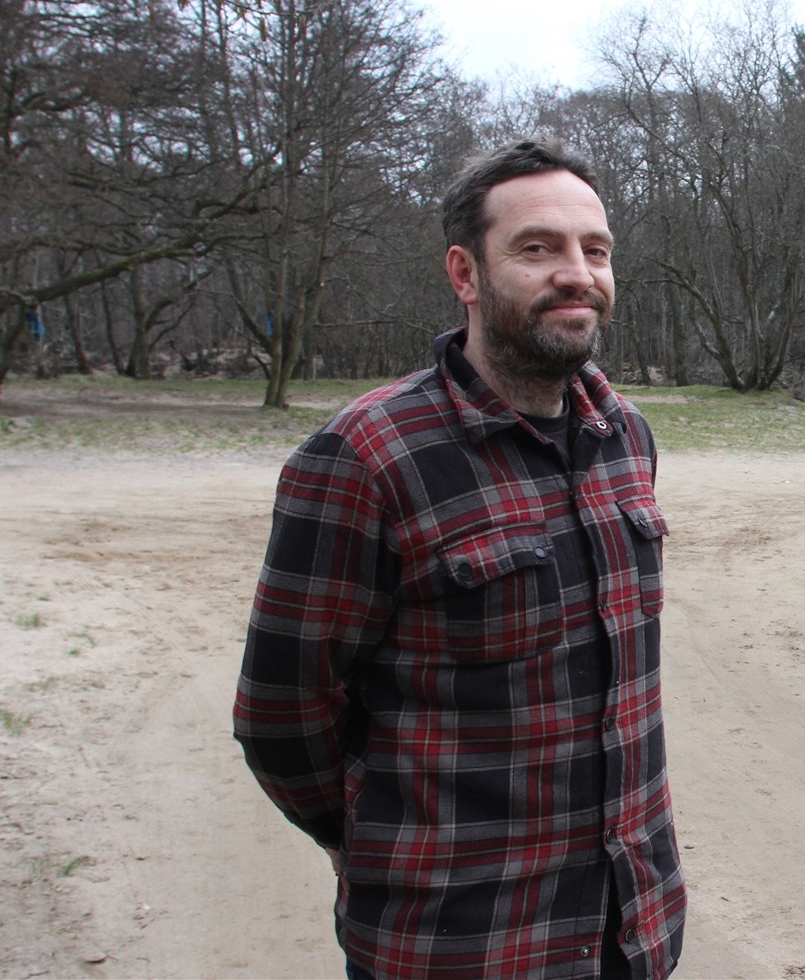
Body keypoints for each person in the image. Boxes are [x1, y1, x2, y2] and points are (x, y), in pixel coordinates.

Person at [234, 139, 686, 979]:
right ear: (465, 273)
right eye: (536, 248)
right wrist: (382, 836)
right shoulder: (366, 455)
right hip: (458, 945)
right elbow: (280, 717)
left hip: (632, 929)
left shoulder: (622, 434)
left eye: (595, 250)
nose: (577, 273)